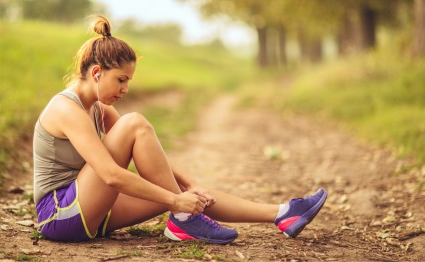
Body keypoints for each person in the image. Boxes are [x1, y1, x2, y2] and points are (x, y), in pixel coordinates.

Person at [33, 15, 328, 244]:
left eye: (128, 82)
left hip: (90, 209)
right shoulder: (66, 109)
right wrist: (174, 200)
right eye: (121, 80)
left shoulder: (98, 107)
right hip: (59, 215)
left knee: (184, 192)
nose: (125, 89)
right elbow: (110, 174)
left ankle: (282, 214)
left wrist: (188, 185)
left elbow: (146, 158)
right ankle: (183, 216)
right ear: (97, 73)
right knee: (136, 125)